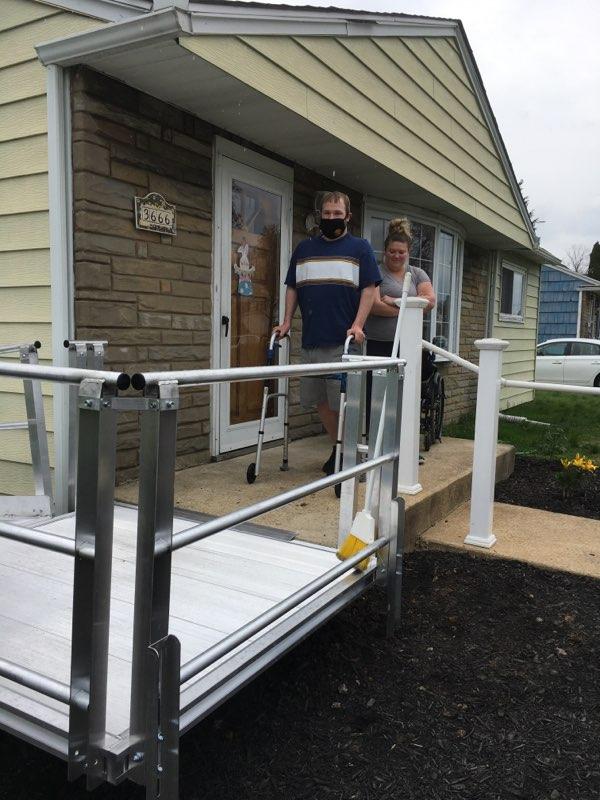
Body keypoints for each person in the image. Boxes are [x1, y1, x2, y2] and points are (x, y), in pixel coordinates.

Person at [273, 191, 381, 474]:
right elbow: (293, 287)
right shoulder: (304, 250)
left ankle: (349, 455)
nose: (331, 218)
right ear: (320, 215)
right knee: (320, 401)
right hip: (312, 339)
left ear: (348, 216)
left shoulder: (360, 249)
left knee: (345, 403)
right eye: (327, 213)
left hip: (344, 340)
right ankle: (338, 448)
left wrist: (358, 324)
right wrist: (286, 322)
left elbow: (369, 289)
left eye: (337, 213)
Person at [365, 218, 436, 439]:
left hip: (408, 346)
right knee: (377, 397)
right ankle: (376, 442)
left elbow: (430, 301)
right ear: (385, 251)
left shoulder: (416, 274)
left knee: (406, 396)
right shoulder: (376, 271)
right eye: (392, 251)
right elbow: (374, 306)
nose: (397, 255)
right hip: (379, 346)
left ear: (408, 252)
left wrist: (393, 302)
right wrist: (408, 309)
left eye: (401, 252)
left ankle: (405, 445)